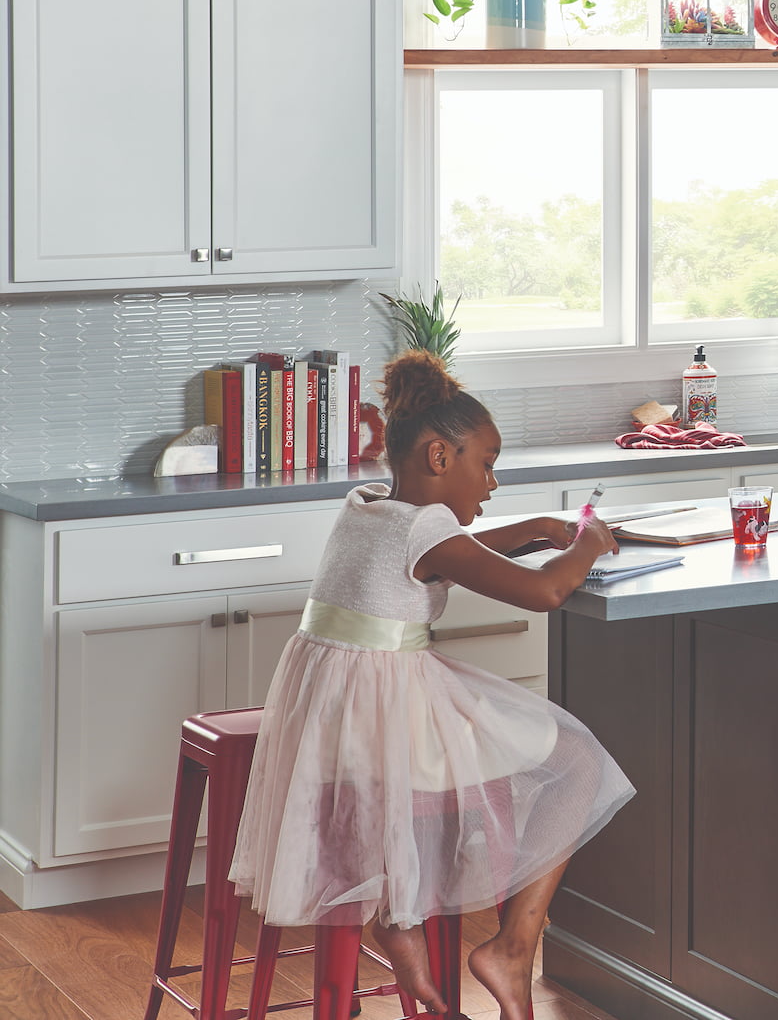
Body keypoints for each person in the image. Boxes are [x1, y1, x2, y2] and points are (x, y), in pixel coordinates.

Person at [229, 351, 635, 1020]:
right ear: (441, 457)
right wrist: (587, 543)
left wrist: (538, 527)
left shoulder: (369, 506)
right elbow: (544, 591)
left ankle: (401, 909)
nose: (494, 481)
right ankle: (510, 947)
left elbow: (448, 549)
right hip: (389, 720)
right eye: (487, 461)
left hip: (332, 725)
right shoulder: (428, 531)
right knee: (575, 759)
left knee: (509, 748)